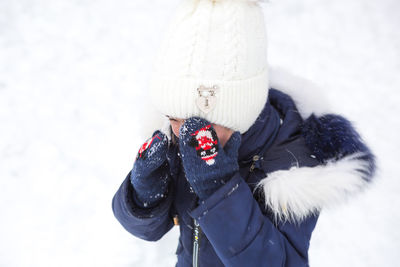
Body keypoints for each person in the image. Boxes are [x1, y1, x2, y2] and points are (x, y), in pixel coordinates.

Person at [112, 0, 376, 266]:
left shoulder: (292, 167)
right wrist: (143, 194)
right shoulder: (181, 140)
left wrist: (220, 191)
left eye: (204, 122)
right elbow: (148, 230)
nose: (185, 134)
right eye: (173, 117)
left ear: (241, 112)